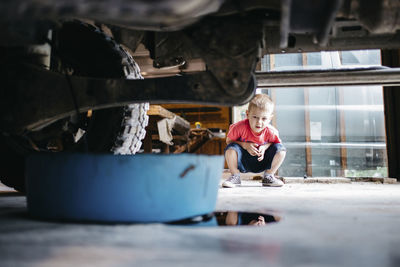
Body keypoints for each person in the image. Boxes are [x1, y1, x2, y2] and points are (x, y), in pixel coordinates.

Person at [222, 93, 286, 188]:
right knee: (230, 148)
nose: (259, 122)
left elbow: (275, 143)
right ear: (247, 114)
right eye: (255, 117)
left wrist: (264, 147)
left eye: (264, 118)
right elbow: (229, 141)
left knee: (281, 150)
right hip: (243, 160)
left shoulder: (271, 131)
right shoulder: (239, 127)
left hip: (262, 160)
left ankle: (269, 176)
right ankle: (235, 176)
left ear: (270, 118)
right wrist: (245, 145)